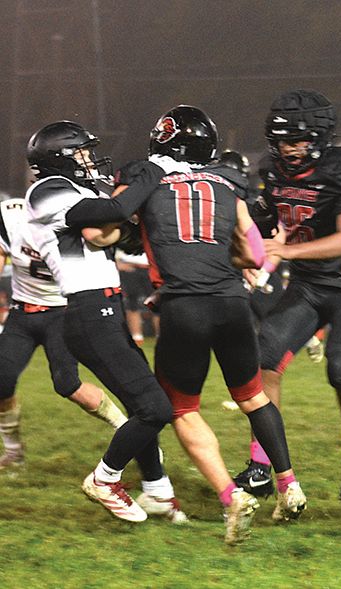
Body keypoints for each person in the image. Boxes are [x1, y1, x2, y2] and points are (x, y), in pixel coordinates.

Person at [136, 106, 307, 543]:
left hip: (184, 307)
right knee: (252, 397)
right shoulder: (229, 184)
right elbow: (253, 255)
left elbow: (112, 230)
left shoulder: (147, 181)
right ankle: (288, 484)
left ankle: (232, 496)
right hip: (232, 302)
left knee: (181, 409)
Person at [24, 120, 183, 523]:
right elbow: (114, 210)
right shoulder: (45, 191)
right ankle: (104, 478)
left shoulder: (77, 191)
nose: (88, 159)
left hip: (104, 309)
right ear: (60, 157)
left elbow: (112, 230)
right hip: (88, 311)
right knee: (155, 409)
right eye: (80, 152)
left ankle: (157, 491)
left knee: (139, 405)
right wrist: (154, 170)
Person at [236, 89, 341, 501]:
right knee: (264, 359)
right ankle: (262, 464)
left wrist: (285, 251)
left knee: (340, 370)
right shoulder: (273, 171)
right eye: (282, 140)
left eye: (297, 140)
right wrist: (252, 246)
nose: (289, 149)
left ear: (320, 137)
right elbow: (265, 218)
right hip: (307, 284)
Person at [0, 197, 128, 469]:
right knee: (1, 379)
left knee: (67, 383)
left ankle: (129, 431)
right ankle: (13, 452)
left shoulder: (77, 219)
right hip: (22, 311)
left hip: (62, 311)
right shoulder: (11, 217)